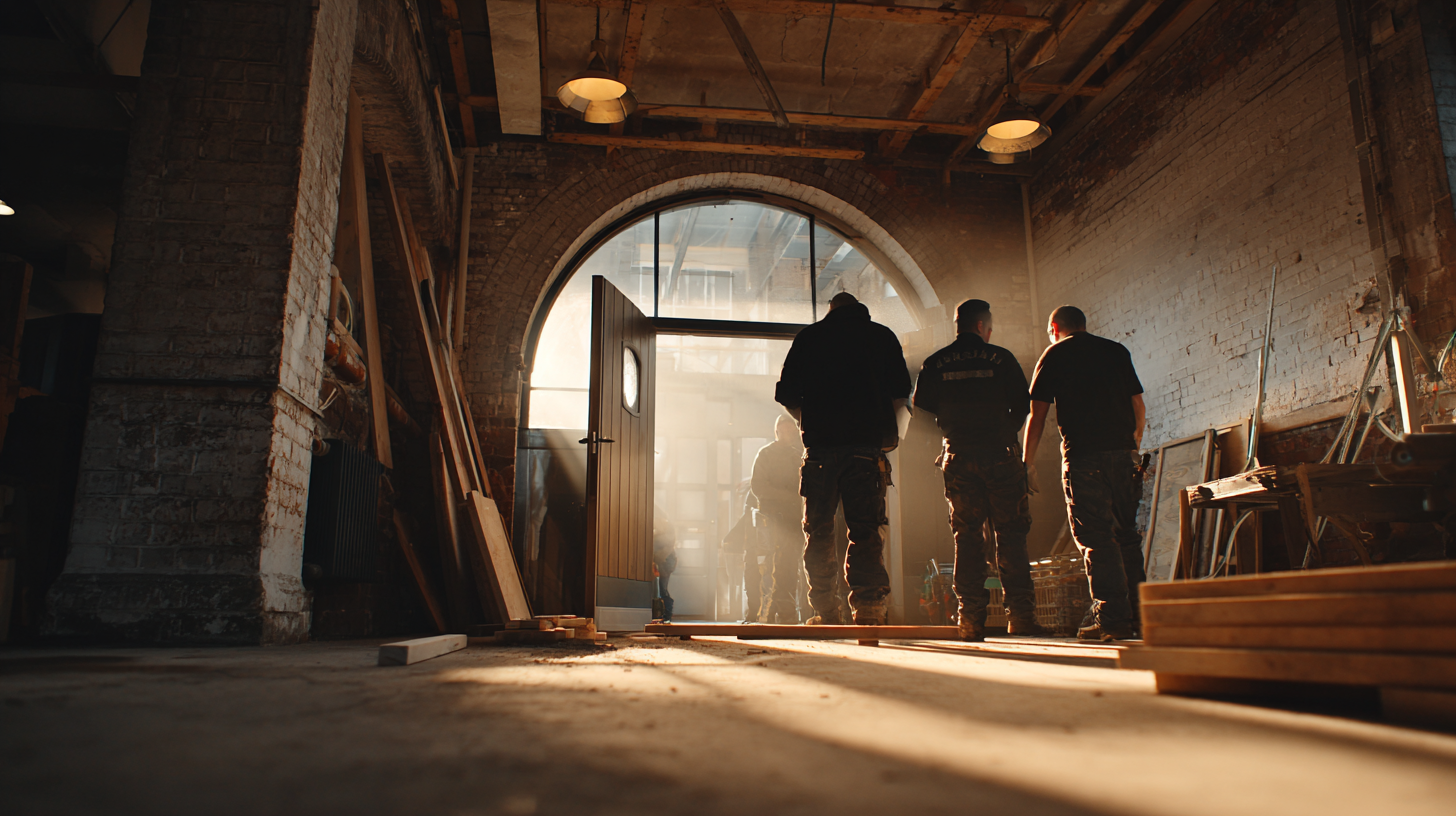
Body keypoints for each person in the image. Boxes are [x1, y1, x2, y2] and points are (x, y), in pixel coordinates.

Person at [774, 292, 912, 626]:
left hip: (820, 451)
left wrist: (807, 422)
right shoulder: (882, 336)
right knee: (865, 530)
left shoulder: (809, 337)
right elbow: (901, 396)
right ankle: (867, 608)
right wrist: (891, 438)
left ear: (831, 310)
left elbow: (787, 395)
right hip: (866, 451)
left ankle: (826, 611)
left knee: (818, 532)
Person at [914, 299, 1047, 641]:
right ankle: (1020, 617)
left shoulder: (935, 362)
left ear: (957, 326)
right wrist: (1003, 434)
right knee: (1011, 536)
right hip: (1000, 456)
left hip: (958, 457)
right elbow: (1024, 406)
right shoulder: (1001, 358)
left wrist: (948, 438)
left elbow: (921, 416)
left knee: (967, 538)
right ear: (981, 326)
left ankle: (970, 620)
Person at [1024, 305, 1147, 642]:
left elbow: (1036, 416)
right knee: (1126, 535)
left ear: (1054, 326)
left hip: (1084, 458)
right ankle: (1142, 616)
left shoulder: (1054, 354)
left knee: (1096, 538)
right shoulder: (1115, 350)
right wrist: (1132, 443)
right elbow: (1139, 405)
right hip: (1123, 456)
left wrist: (1027, 463)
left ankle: (1111, 619)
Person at [751, 414, 807, 623]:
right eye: (783, 431)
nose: (787, 435)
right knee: (780, 565)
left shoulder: (799, 455)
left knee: (794, 565)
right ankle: (782, 611)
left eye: (791, 431)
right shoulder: (766, 454)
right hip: (775, 519)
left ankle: (788, 612)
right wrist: (790, 497)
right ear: (776, 432)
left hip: (795, 518)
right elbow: (758, 487)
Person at [653, 506, 677, 622]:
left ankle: (666, 616)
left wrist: (656, 560)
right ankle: (664, 615)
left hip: (665, 562)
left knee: (662, 589)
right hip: (661, 562)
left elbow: (668, 547)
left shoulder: (667, 528)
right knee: (660, 589)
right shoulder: (658, 528)